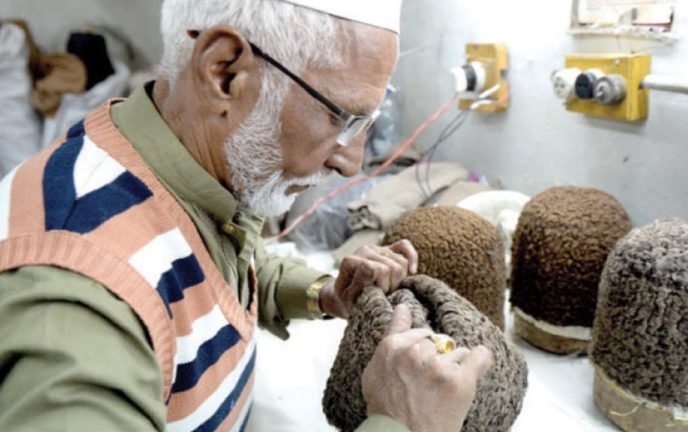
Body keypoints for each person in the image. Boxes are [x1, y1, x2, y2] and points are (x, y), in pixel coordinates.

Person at [0, 1, 493, 431]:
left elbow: (218, 264)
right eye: (341, 117)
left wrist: (323, 293)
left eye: (367, 121)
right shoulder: (82, 308)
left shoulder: (181, 168)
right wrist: (402, 422)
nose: (351, 161)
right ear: (225, 71)